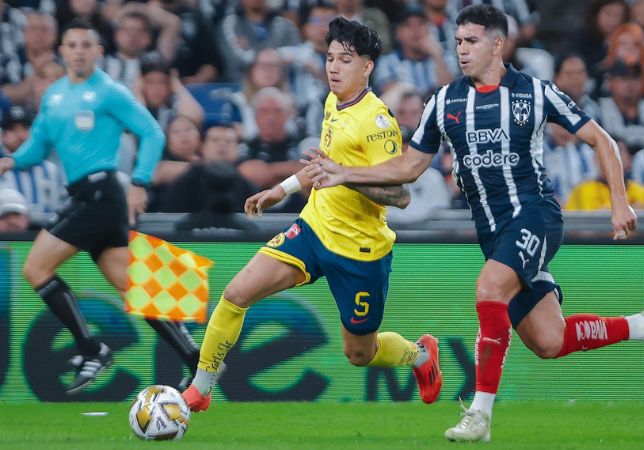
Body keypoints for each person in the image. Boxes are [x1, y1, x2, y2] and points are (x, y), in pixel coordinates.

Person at [309, 6, 644, 442]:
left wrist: (619, 202)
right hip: (494, 234)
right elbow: (409, 166)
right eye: (456, 42)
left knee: (489, 289)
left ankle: (479, 415)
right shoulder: (445, 101)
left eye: (470, 41)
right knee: (549, 340)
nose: (462, 50)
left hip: (536, 216)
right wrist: (345, 172)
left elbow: (600, 139)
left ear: (497, 44)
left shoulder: (534, 93)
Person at [181, 17, 442, 414]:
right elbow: (324, 164)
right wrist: (280, 189)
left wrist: (346, 177)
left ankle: (420, 356)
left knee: (359, 353)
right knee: (235, 295)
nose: (333, 67)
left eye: (345, 60)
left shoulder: (377, 123)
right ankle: (199, 390)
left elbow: (399, 195)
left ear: (367, 66)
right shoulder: (333, 100)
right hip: (313, 229)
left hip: (359, 251)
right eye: (330, 58)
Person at [0, 21, 201, 395]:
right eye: (72, 44)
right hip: (84, 195)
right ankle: (197, 362)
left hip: (101, 193)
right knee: (134, 287)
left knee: (35, 267)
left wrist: (139, 182)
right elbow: (39, 145)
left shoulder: (109, 92)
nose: (78, 51)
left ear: (98, 52)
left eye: (85, 45)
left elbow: (152, 132)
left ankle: (92, 349)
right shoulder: (55, 95)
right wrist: (11, 161)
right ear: (61, 51)